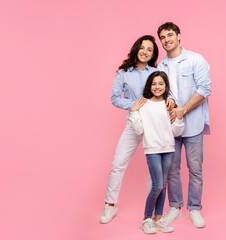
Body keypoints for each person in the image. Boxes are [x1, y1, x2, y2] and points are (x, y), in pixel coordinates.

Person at [100, 35, 175, 224]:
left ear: (153, 54)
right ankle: (110, 205)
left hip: (156, 125)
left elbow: (166, 91)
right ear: (136, 48)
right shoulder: (123, 73)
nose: (145, 52)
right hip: (134, 123)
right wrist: (134, 104)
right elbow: (115, 97)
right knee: (118, 164)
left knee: (155, 173)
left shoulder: (156, 71)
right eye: (142, 48)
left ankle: (151, 216)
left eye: (150, 49)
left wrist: (172, 100)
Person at [156, 22, 212, 228]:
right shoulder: (160, 66)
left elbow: (204, 89)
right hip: (170, 125)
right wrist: (167, 103)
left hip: (194, 124)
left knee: (195, 168)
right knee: (171, 169)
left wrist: (184, 109)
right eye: (162, 37)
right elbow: (159, 92)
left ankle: (195, 208)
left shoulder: (196, 59)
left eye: (170, 35)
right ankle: (175, 207)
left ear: (179, 36)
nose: (166, 39)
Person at [128, 71, 185, 234]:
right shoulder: (144, 105)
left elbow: (176, 132)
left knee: (163, 185)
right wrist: (134, 111)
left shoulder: (169, 105)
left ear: (166, 86)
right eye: (154, 84)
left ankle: (159, 219)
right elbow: (139, 129)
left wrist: (179, 117)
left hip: (168, 149)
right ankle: (147, 219)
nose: (157, 87)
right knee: (157, 185)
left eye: (161, 83)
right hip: (152, 150)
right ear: (149, 86)